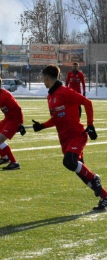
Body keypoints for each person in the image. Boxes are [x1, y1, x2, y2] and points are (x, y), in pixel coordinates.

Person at [32, 64, 107, 210]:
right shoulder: (50, 96)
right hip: (65, 139)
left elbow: (87, 102)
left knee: (69, 162)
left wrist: (90, 125)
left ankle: (95, 179)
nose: (43, 81)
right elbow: (56, 118)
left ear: (47, 78)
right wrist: (42, 126)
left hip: (76, 135)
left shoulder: (65, 91)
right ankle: (105, 196)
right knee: (81, 173)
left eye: (43, 78)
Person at [0, 76, 26, 170]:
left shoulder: (5, 95)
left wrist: (20, 123)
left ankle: (14, 163)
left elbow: (18, 108)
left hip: (14, 120)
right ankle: (4, 157)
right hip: (7, 119)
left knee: (0, 140)